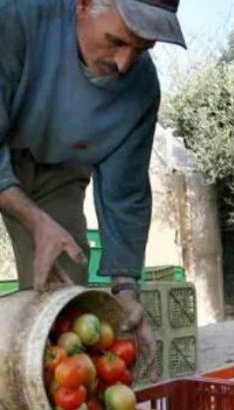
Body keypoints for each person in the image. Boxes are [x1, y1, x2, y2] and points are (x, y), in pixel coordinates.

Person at [0, 0, 186, 380]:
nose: (124, 64)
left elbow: (126, 195)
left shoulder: (141, 88)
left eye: (142, 48)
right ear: (83, 4)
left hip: (56, 169)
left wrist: (126, 291)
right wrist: (34, 221)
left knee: (62, 304)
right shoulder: (15, 17)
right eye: (116, 41)